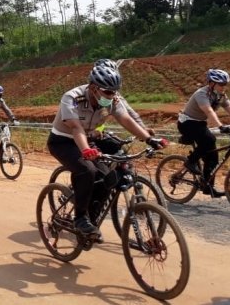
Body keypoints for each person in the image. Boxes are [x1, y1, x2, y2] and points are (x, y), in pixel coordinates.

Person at [47, 65, 167, 239]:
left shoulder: (112, 99)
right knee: (87, 170)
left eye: (115, 92)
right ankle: (80, 218)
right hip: (63, 141)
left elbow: (125, 119)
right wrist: (86, 150)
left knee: (106, 179)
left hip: (87, 139)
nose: (113, 96)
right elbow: (75, 128)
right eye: (108, 92)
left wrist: (148, 139)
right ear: (94, 88)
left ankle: (91, 222)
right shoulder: (72, 97)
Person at [178, 68, 230, 197]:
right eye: (221, 84)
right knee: (209, 140)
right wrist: (221, 127)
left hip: (200, 124)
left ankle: (207, 187)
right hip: (187, 123)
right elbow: (209, 111)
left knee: (213, 158)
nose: (223, 87)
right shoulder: (201, 94)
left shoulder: (221, 96)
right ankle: (190, 161)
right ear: (211, 83)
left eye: (225, 84)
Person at [91, 59, 155, 154]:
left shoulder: (114, 94)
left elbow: (128, 112)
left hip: (99, 131)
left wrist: (143, 129)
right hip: (82, 135)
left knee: (121, 151)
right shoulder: (86, 93)